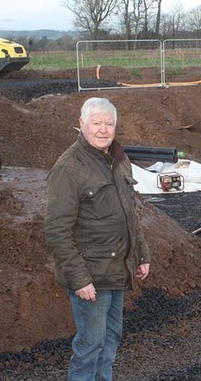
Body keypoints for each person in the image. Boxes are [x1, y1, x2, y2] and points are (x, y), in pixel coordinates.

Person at [44, 97, 151, 381]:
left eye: (109, 123)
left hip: (115, 271)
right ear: (81, 124)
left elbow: (130, 213)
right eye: (96, 123)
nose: (103, 129)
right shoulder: (69, 168)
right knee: (90, 345)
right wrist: (79, 279)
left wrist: (141, 254)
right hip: (90, 276)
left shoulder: (118, 159)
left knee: (110, 339)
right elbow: (56, 231)